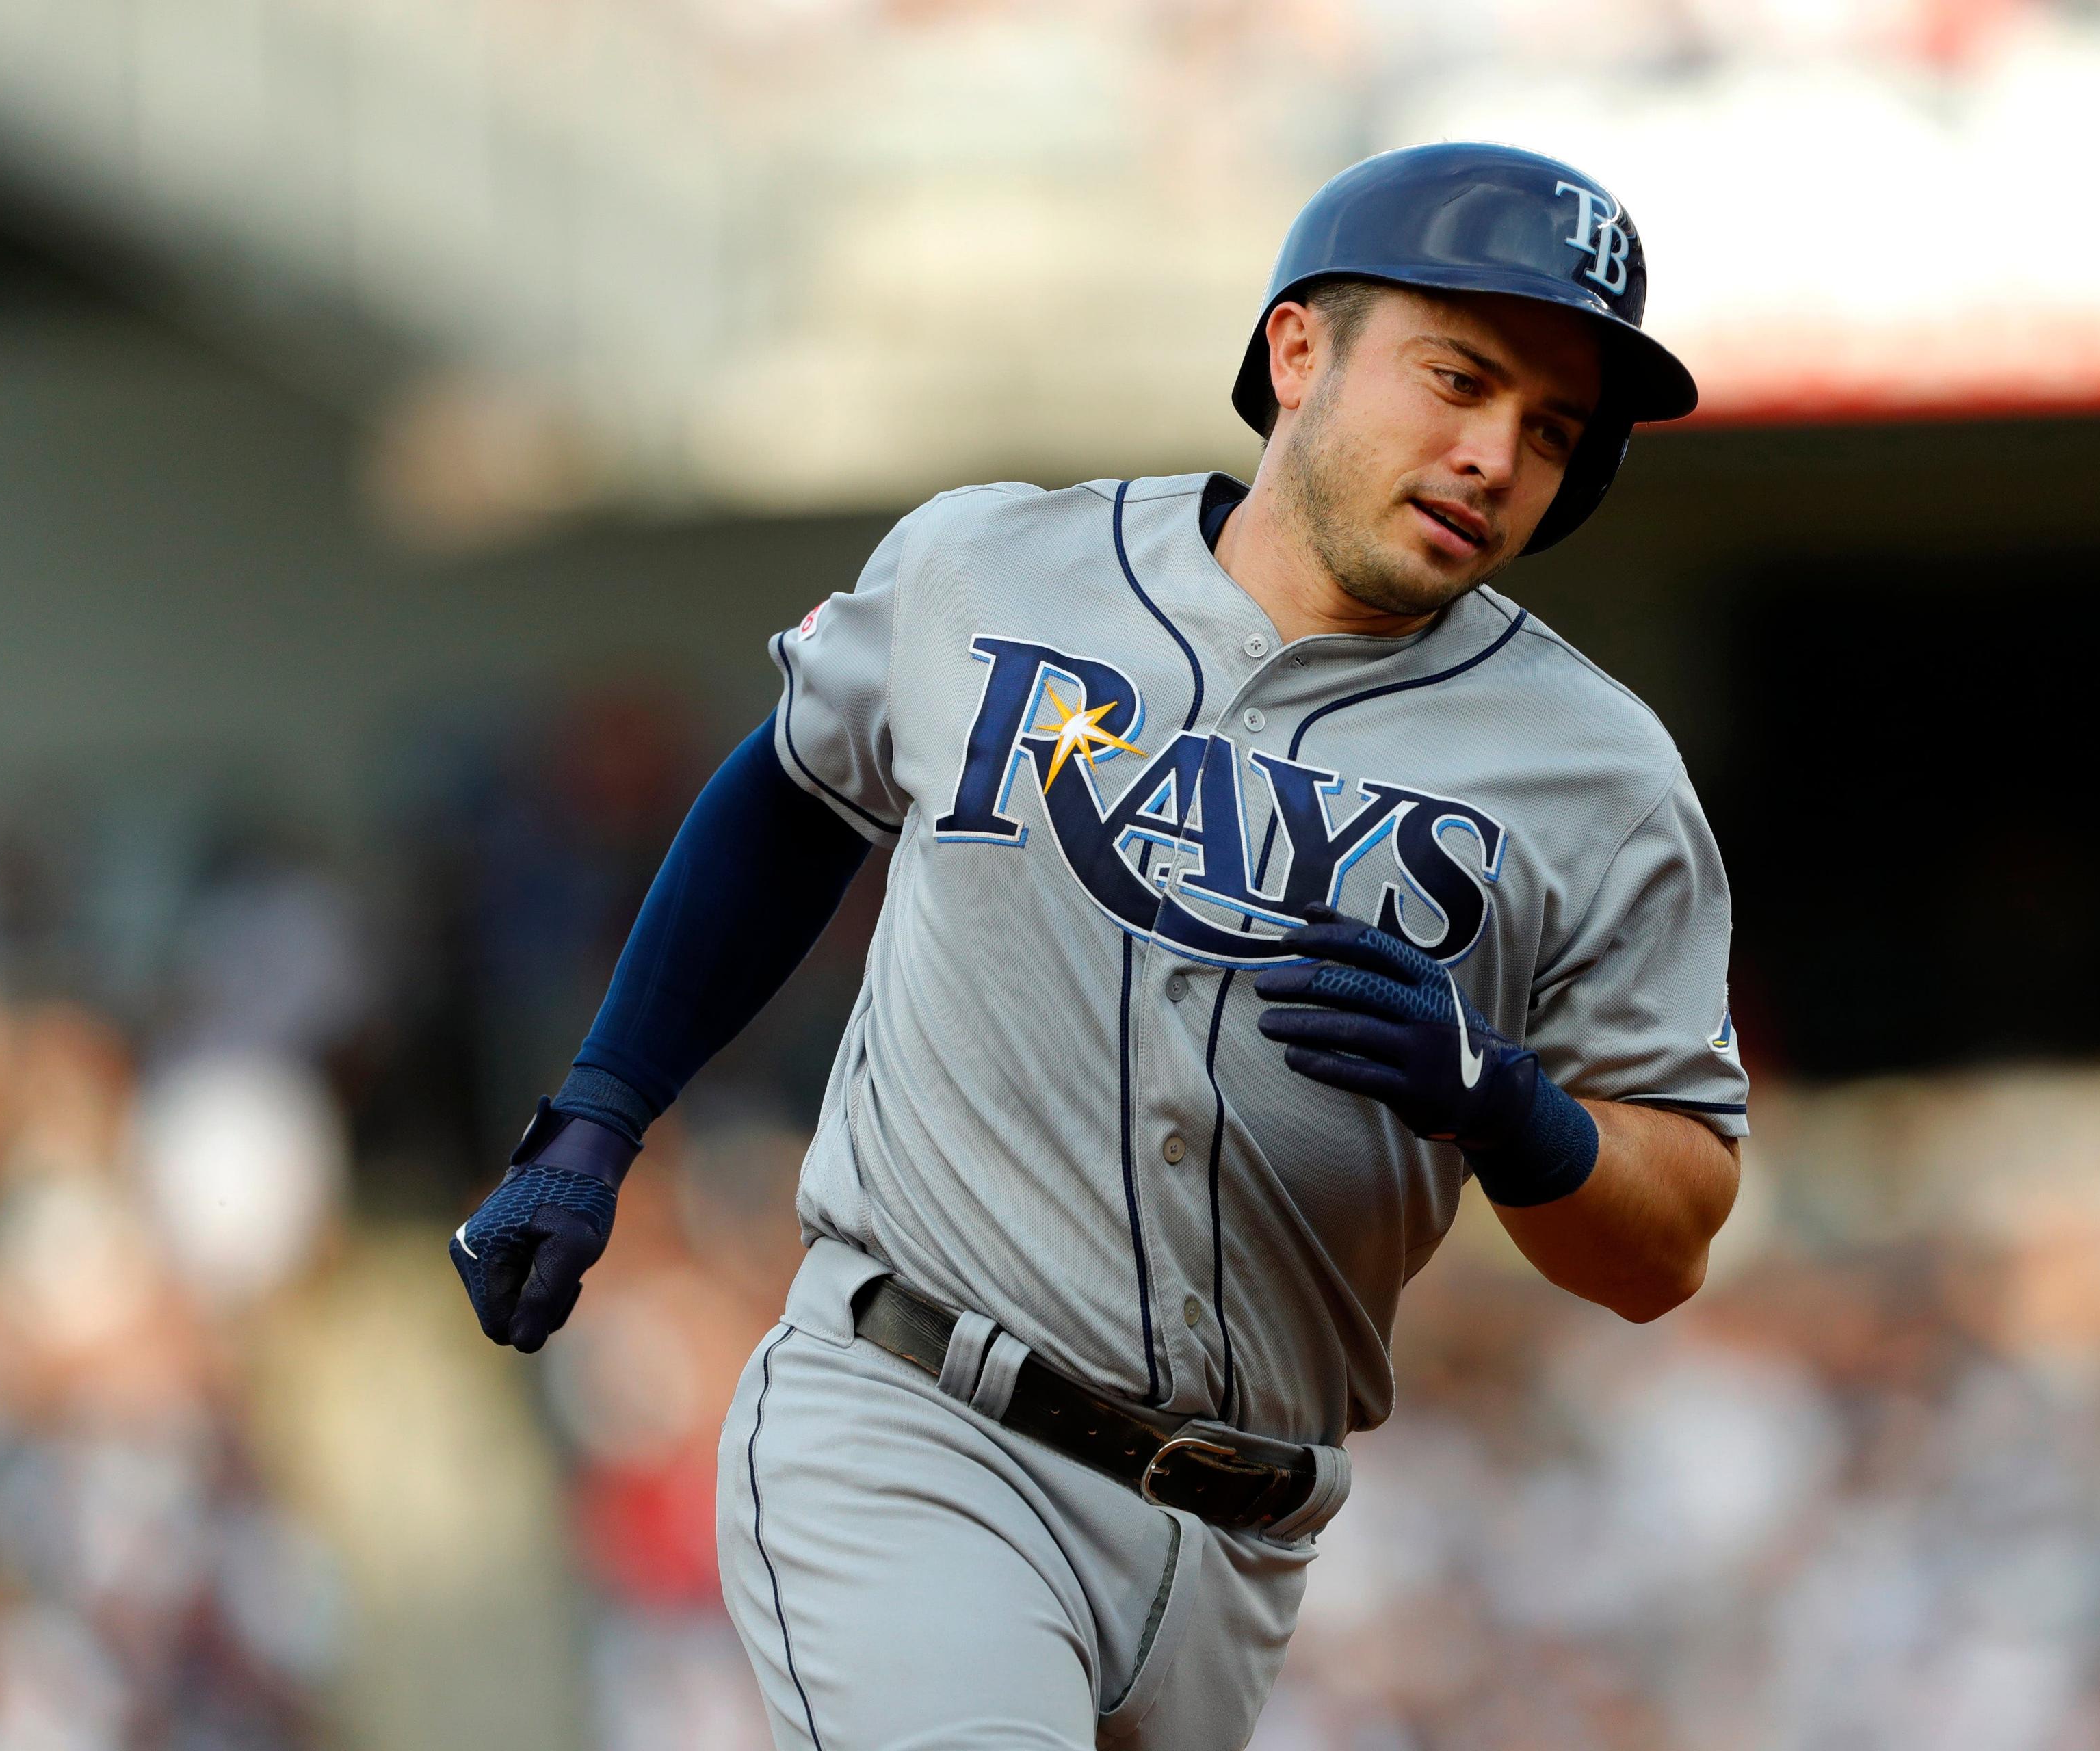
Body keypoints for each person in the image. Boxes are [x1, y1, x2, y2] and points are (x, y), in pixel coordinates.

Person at [450, 141, 1750, 1751]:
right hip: (917, 1417)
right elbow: (794, 785)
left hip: (1240, 1533)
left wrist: (1511, 1105)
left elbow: (1670, 1232)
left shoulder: (1598, 773)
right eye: (1458, 378)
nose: (1494, 453)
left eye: (1552, 430)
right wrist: (597, 1112)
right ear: (1297, 353)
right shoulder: (993, 567)